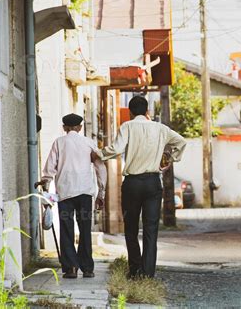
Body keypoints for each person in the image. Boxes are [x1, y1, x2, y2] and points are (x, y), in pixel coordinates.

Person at [96, 95, 186, 279]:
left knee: (130, 228)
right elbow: (181, 142)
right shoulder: (161, 129)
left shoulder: (127, 126)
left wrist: (98, 154)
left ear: (130, 111)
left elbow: (116, 149)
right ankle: (148, 273)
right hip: (153, 183)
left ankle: (135, 269)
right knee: (151, 228)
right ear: (147, 112)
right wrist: (169, 158)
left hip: (132, 184)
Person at [36, 113, 107, 279]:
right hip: (85, 193)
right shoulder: (89, 143)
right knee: (85, 229)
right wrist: (101, 192)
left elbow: (49, 170)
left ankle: (71, 268)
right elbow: (100, 168)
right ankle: (88, 268)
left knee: (66, 229)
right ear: (80, 127)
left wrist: (46, 187)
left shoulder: (59, 143)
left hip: (65, 193)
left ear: (64, 128)